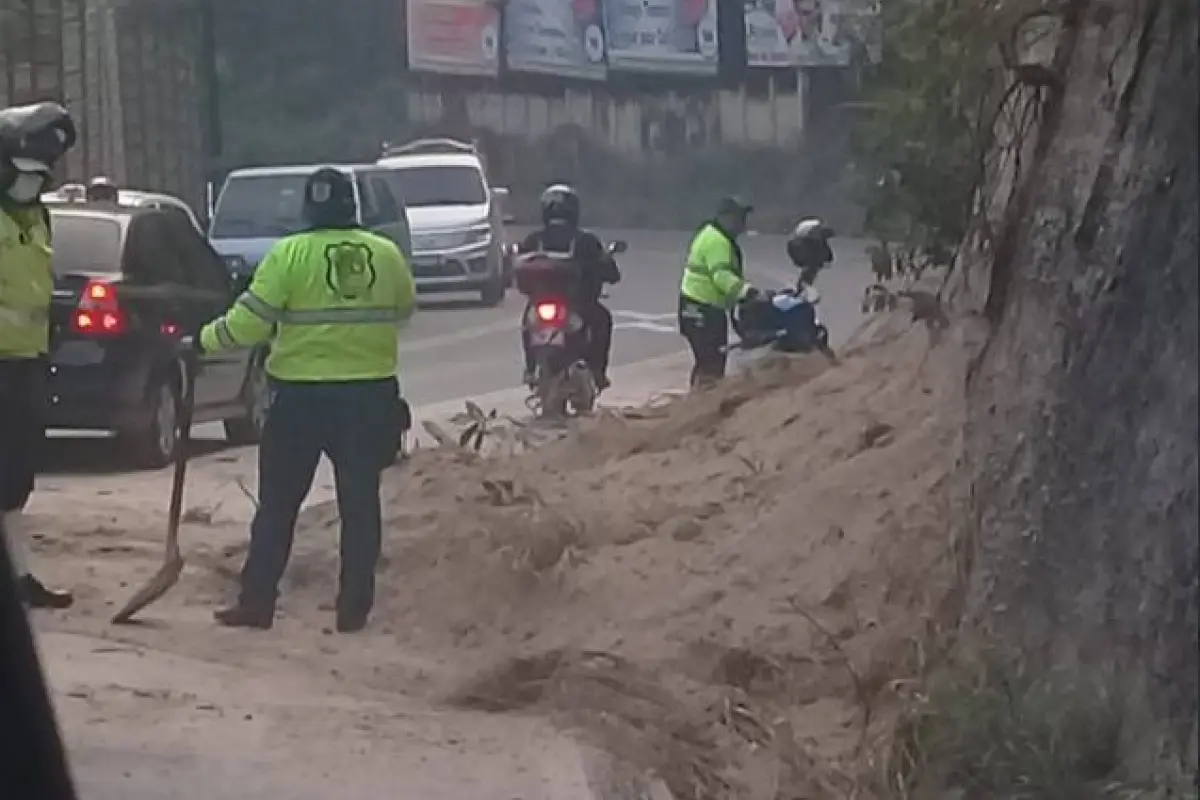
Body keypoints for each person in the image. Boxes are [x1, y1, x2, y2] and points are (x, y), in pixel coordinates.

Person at [196, 167, 416, 633]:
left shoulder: (288, 254)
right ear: (351, 205)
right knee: (360, 503)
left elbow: (249, 323)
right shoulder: (386, 254)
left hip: (299, 398)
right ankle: (354, 610)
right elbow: (403, 310)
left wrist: (202, 342)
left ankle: (257, 603)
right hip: (369, 395)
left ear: (307, 208)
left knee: (278, 503)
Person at [0, 102, 78, 610]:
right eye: (25, 173)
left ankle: (19, 574)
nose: (34, 183)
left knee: (15, 476)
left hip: (25, 364)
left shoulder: (37, 216)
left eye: (41, 175)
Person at [516, 184, 620, 390]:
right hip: (578, 304)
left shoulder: (534, 239)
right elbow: (611, 273)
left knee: (527, 324)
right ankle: (598, 372)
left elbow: (518, 266)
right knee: (603, 320)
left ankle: (530, 368)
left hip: (542, 304)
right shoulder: (586, 241)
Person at [677, 195, 758, 389]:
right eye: (740, 218)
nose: (743, 224)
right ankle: (703, 403)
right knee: (711, 364)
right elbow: (721, 276)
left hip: (695, 307)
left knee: (706, 361)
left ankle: (698, 400)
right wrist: (747, 292)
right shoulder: (717, 241)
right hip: (701, 309)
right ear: (726, 217)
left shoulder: (711, 234)